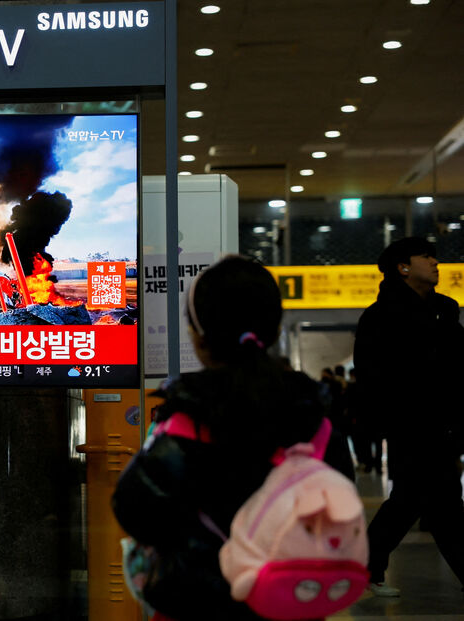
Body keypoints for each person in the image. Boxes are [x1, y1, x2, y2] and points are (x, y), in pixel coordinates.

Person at [111, 256, 348, 620]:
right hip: (291, 601)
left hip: (199, 602)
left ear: (198, 337)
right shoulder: (314, 413)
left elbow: (133, 507)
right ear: (273, 328)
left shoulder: (186, 414)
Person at [353, 236, 464, 597]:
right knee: (439, 502)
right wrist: (388, 420)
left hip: (444, 424)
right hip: (409, 425)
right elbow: (371, 375)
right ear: (402, 267)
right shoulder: (380, 317)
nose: (436, 262)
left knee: (414, 500)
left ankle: (365, 566)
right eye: (425, 256)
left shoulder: (446, 310)